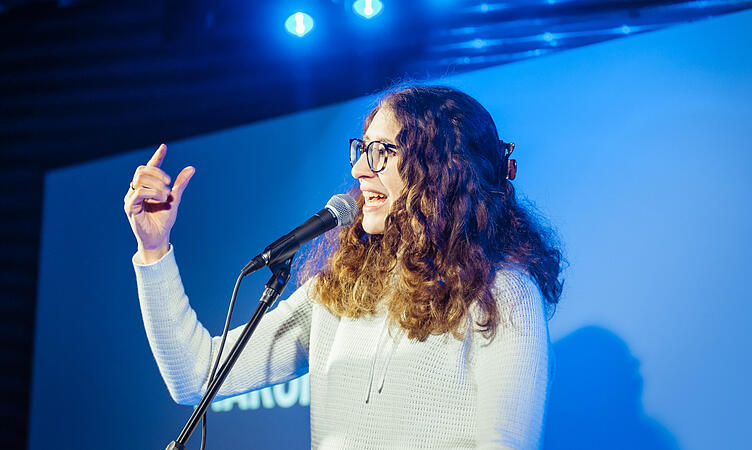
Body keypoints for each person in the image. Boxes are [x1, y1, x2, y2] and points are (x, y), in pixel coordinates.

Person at [125, 85, 564, 449]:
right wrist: (153, 248)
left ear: (441, 170)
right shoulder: (340, 290)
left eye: (381, 152)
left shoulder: (502, 292)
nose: (358, 168)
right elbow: (195, 376)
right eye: (361, 150)